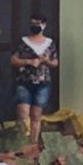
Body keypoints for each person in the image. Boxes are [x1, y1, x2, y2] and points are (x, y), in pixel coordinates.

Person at [10, 13, 59, 143]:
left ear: (44, 25)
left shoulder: (50, 43)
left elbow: (55, 62)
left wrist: (47, 61)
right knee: (22, 112)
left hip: (43, 82)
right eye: (33, 24)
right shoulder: (23, 42)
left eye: (38, 24)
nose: (35, 26)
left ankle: (33, 142)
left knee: (37, 114)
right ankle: (20, 141)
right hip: (24, 81)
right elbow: (13, 59)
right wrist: (28, 62)